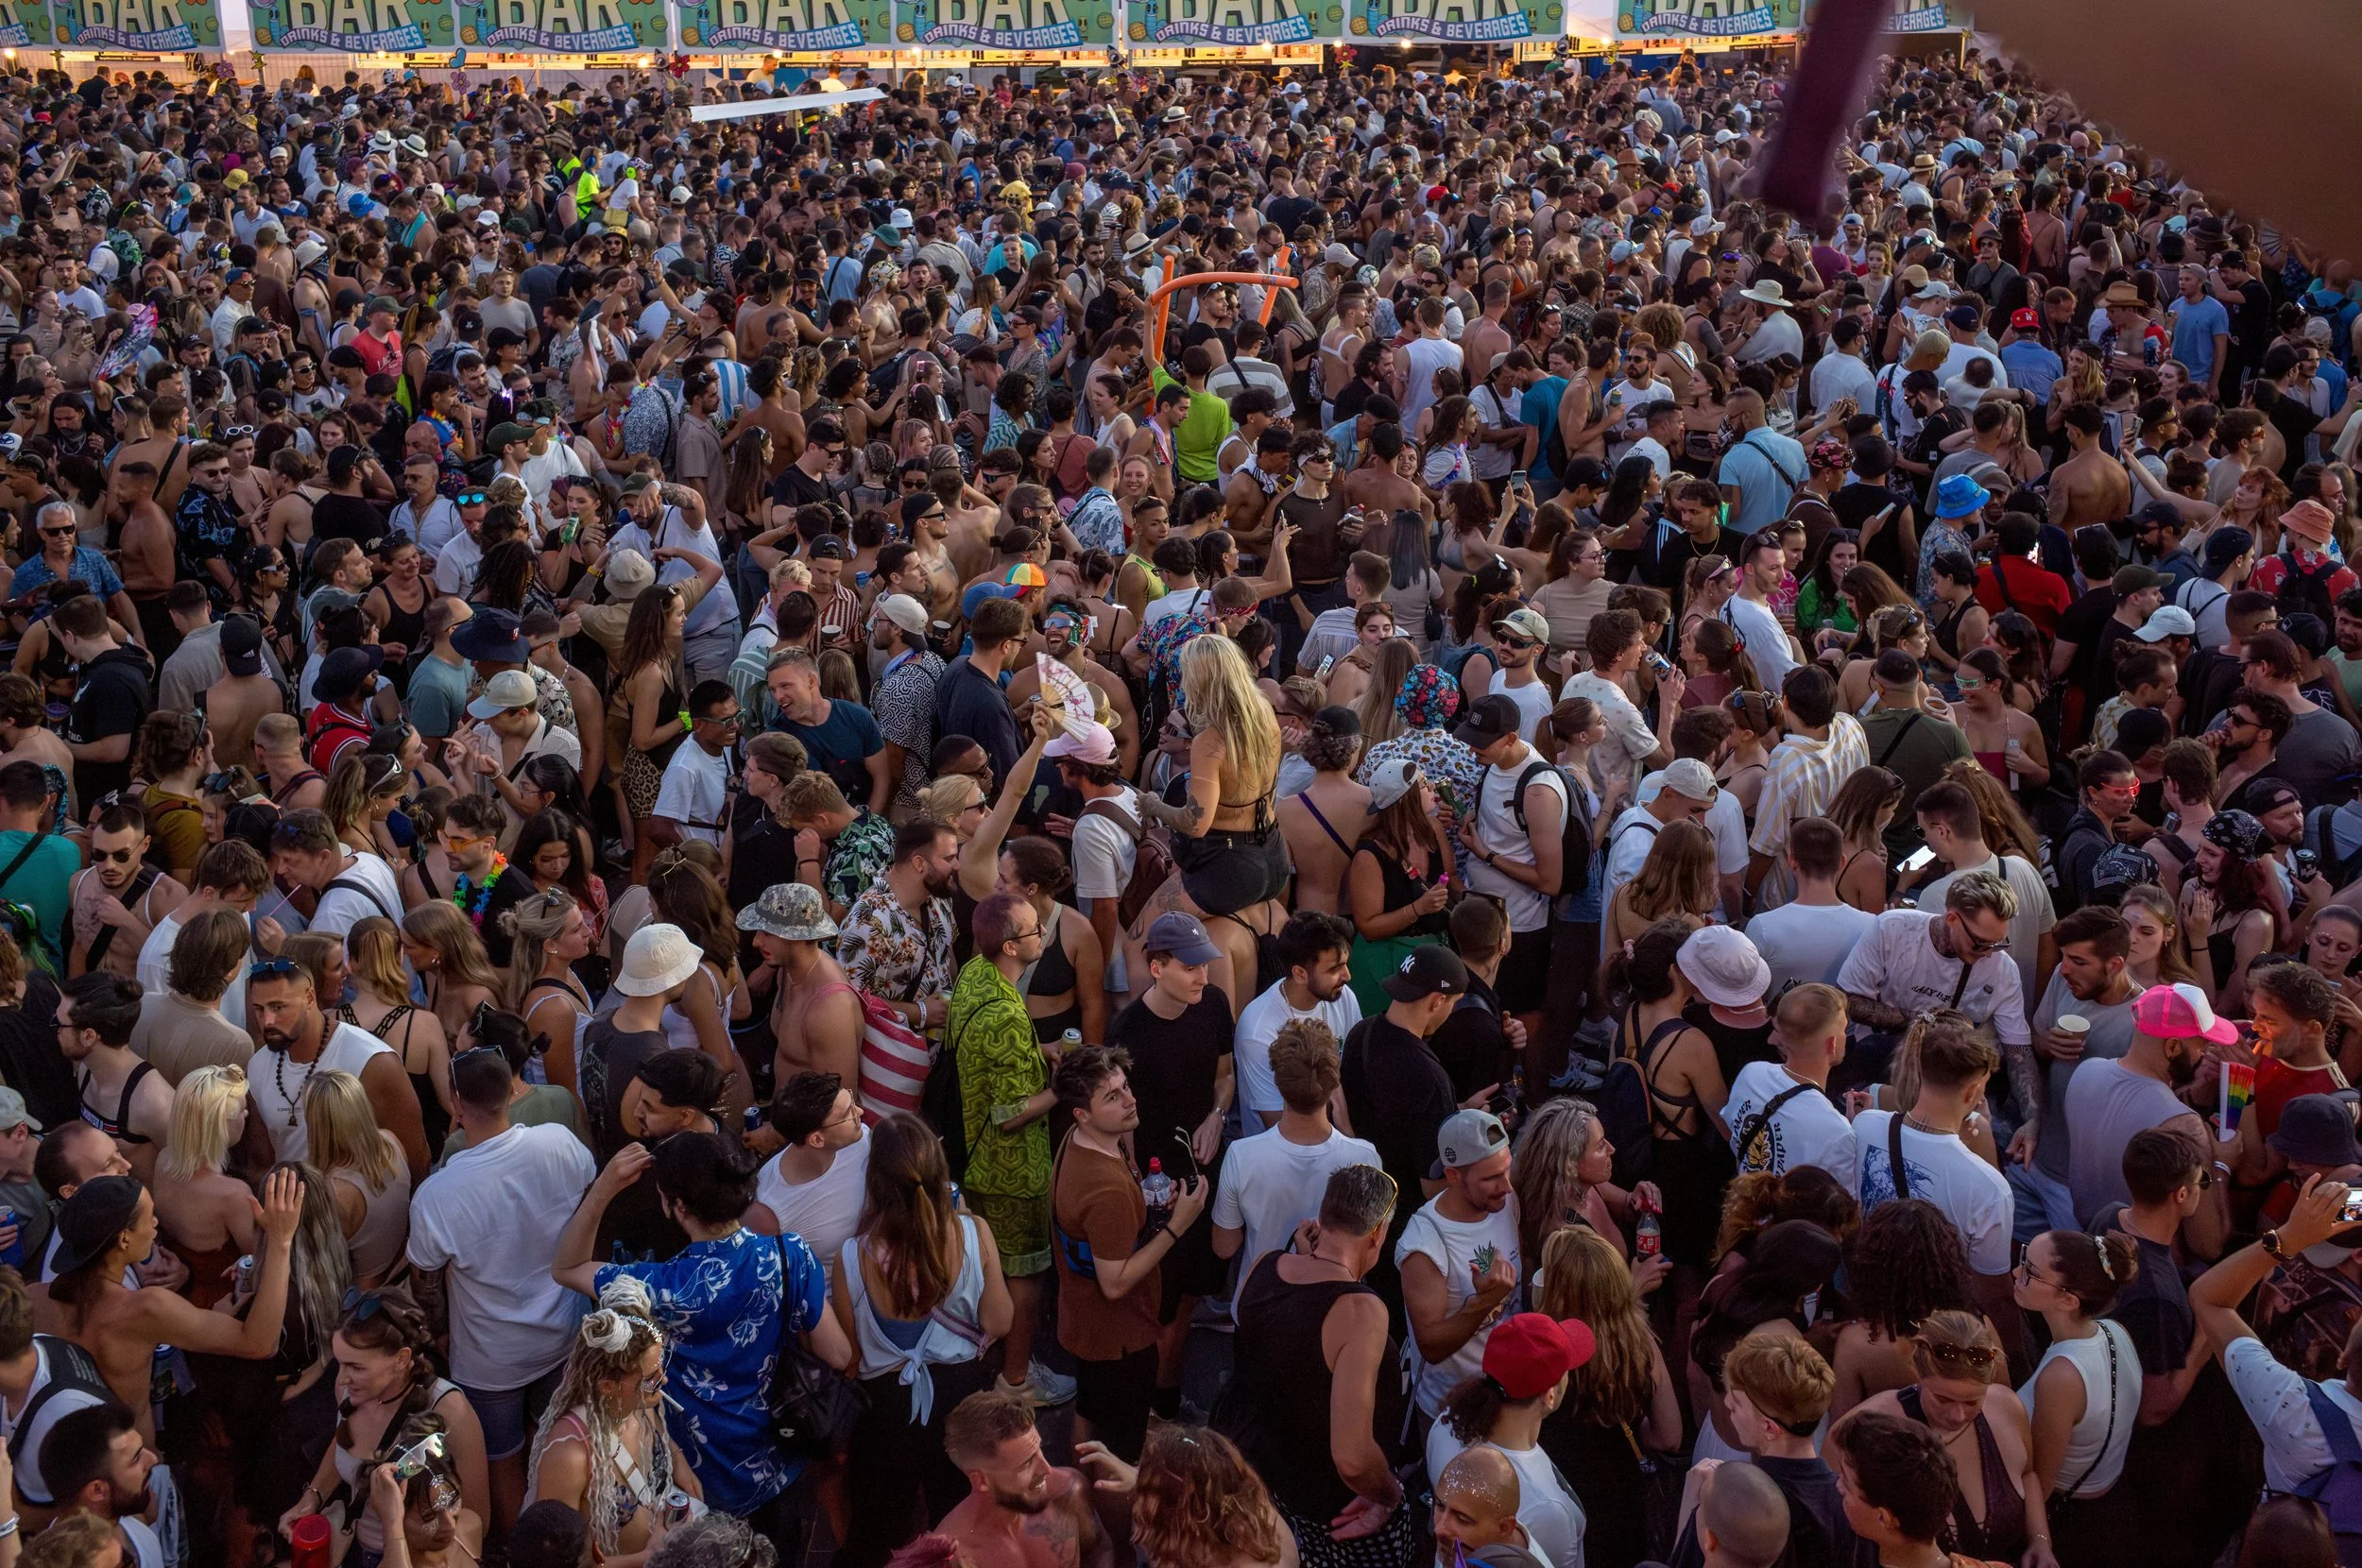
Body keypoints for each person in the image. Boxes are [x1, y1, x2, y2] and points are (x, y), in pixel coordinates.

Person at [555, 1132, 853, 1551]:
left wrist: (605, 1187)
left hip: (697, 1478)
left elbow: (566, 1267)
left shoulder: (658, 1286)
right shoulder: (789, 1256)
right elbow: (837, 1353)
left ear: (677, 1206)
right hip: (778, 1457)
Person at [405, 1046, 594, 1530]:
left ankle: (522, 1550)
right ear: (512, 1089)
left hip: (489, 1357)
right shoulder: (560, 1142)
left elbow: (424, 1284)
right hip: (562, 1333)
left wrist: (440, 1337)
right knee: (561, 1442)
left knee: (502, 1460)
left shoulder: (438, 1194)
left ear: (454, 1103)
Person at [828, 1113, 1012, 1568]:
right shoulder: (974, 1233)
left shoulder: (851, 1257)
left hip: (885, 1414)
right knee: (960, 1511)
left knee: (883, 1524)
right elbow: (1001, 1321)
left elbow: (850, 1357)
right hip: (962, 1398)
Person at [1220, 1162, 1411, 1566]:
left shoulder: (1265, 1265)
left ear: (1323, 1218)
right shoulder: (1362, 1311)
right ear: (1377, 1233)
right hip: (1342, 1513)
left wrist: (1306, 1258)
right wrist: (1391, 1494)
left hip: (1270, 1491)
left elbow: (1283, 1337)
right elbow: (1353, 1458)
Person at [1049, 1045, 1206, 1460]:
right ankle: (1108, 1520)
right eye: (1112, 1097)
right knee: (1120, 1451)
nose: (1130, 1099)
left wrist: (1152, 1206)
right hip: (1118, 1335)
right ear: (1082, 1113)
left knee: (1089, 1408)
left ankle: (1081, 1505)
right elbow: (1115, 1283)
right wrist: (1178, 1225)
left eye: (1125, 1087)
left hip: (1088, 1323)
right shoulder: (1106, 1189)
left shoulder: (1083, 1140)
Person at [951, 891, 1066, 1406]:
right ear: (1012, 948)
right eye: (1034, 929)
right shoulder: (1008, 1017)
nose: (1043, 932)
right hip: (1011, 1172)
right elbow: (1011, 1113)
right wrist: (1064, 1089)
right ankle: (1016, 1382)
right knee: (1025, 1277)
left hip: (973, 1163)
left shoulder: (976, 973)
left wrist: (1038, 1052)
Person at [522, 1282, 701, 1564]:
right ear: (607, 1386)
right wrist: (651, 1555)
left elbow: (658, 1435)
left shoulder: (636, 1402)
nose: (662, 1382)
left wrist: (677, 1458)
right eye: (651, 1378)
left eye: (661, 1370)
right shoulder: (570, 1455)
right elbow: (562, 1563)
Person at [1853, 1311, 2046, 1567]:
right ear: (1918, 1374)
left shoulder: (2007, 1407)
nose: (1958, 1415)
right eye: (1942, 1399)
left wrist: (2040, 1541)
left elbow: (2028, 1475)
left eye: (1972, 1402)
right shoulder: (1871, 1424)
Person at [2014, 1229, 2143, 1559]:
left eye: (2030, 1271)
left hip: (2077, 1525)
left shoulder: (2062, 1377)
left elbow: (2040, 1486)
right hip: (2117, 1500)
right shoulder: (2116, 1331)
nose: (2016, 1273)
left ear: (2068, 1300)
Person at [936, 1388, 1114, 1568]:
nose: (1046, 1470)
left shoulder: (1067, 1492)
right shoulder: (955, 1553)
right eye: (1026, 1464)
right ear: (981, 1480)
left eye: (1039, 1449)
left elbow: (1100, 1550)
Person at [751, 1071, 871, 1274]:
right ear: (817, 1140)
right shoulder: (769, 1205)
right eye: (847, 1113)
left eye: (852, 1102)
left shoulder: (861, 1138)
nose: (859, 1111)